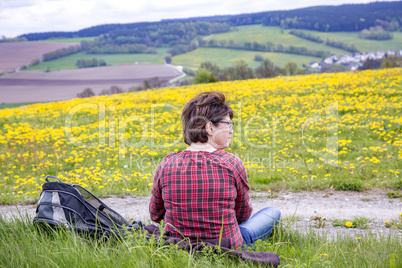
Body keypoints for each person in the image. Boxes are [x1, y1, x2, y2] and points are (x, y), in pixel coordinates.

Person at [149, 91, 280, 249]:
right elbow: (243, 215)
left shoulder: (167, 164)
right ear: (210, 127)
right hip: (225, 245)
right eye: (228, 124)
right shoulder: (232, 163)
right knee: (272, 212)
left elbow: (156, 215)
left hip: (179, 244)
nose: (231, 131)